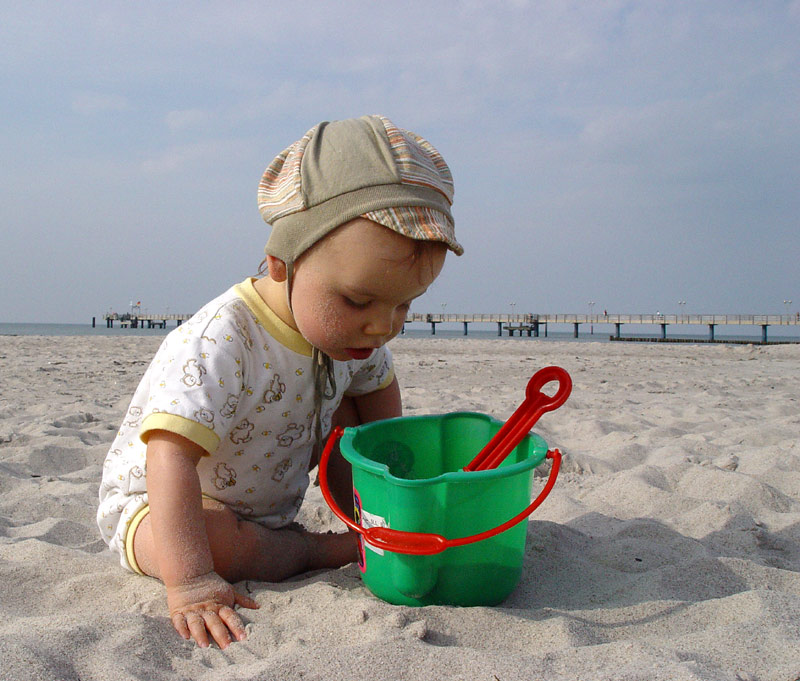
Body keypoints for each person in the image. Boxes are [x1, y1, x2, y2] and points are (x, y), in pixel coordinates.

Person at [97, 115, 462, 650]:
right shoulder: (224, 340)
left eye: (404, 303)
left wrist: (389, 478)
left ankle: (361, 528)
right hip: (163, 509)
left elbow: (380, 396)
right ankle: (311, 551)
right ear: (279, 265)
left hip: (263, 508)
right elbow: (168, 454)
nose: (383, 325)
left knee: (355, 418)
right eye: (359, 301)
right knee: (221, 542)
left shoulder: (354, 339)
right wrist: (191, 582)